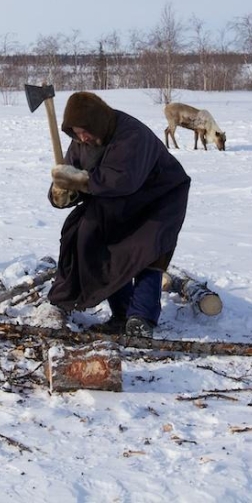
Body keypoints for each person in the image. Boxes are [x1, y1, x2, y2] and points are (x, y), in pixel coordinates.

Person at [44, 91, 191, 337]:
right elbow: (73, 175)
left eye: (84, 131)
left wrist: (78, 181)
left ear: (96, 123)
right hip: (119, 201)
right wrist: (61, 193)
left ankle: (141, 319)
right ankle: (121, 315)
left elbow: (122, 180)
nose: (82, 137)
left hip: (159, 199)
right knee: (97, 241)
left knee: (147, 252)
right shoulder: (81, 142)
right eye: (76, 133)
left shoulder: (131, 135)